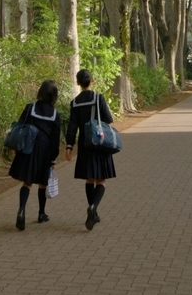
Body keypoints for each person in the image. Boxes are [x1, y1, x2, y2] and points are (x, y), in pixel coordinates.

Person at [65, 68, 116, 230]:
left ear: (78, 82)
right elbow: (108, 119)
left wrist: (69, 145)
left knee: (89, 179)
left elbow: (72, 126)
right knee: (101, 180)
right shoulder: (98, 98)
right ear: (91, 80)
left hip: (84, 144)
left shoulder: (75, 103)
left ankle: (93, 212)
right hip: (99, 142)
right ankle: (93, 207)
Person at [8, 79, 61, 231]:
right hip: (45, 149)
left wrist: (18, 146)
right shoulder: (55, 114)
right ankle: (41, 213)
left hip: (29, 146)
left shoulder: (30, 107)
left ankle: (21, 210)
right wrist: (53, 158)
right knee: (43, 183)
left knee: (27, 182)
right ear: (54, 95)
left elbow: (20, 125)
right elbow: (55, 138)